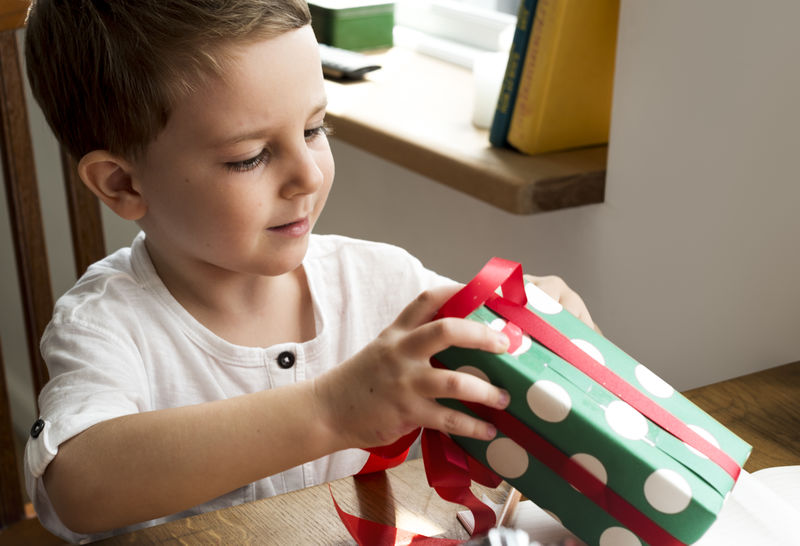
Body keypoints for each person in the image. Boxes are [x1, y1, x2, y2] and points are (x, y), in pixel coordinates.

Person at [22, 0, 598, 542]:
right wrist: (330, 411)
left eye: (314, 130)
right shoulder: (103, 324)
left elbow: (486, 363)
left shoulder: (384, 283)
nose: (308, 175)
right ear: (123, 184)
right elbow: (77, 486)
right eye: (249, 156)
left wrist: (532, 331)